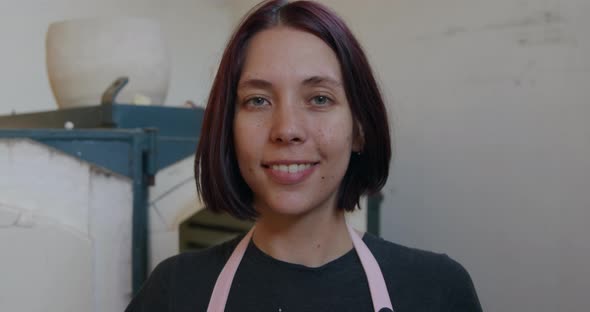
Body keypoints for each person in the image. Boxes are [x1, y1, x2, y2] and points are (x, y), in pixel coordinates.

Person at [125, 1, 482, 311]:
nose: (287, 128)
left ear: (359, 129)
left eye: (319, 99)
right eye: (258, 100)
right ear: (228, 129)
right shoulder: (173, 291)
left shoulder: (437, 290)